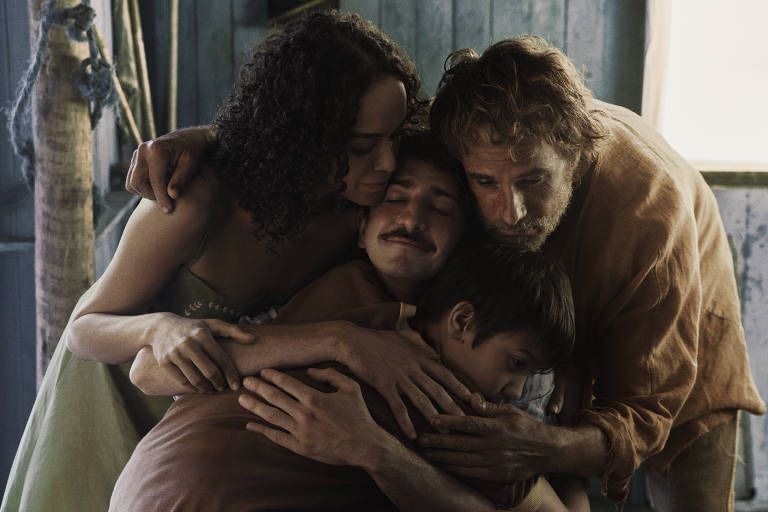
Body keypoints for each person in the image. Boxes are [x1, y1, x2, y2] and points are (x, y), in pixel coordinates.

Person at [129, 34, 765, 510]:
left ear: (574, 153)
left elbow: (646, 412)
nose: (510, 212)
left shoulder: (646, 208)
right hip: (515, 331)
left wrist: (543, 447)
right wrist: (207, 143)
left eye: (533, 181)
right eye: (484, 183)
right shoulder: (390, 290)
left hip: (674, 349)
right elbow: (327, 130)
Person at [2, 12, 470, 512]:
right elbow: (82, 329)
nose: (388, 162)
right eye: (362, 146)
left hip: (194, 428)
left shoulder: (354, 212)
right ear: (303, 134)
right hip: (105, 401)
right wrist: (156, 328)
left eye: (394, 137)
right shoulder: (193, 203)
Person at [111, 141, 586, 511]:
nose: (412, 218)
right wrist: (341, 341)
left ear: (461, 242)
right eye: (395, 198)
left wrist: (371, 448)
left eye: (441, 208)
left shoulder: (437, 350)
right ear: (359, 227)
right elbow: (148, 369)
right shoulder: (343, 302)